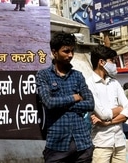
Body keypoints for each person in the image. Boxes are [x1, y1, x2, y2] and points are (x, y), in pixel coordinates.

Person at [36, 32, 95, 163]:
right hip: (57, 145)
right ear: (54, 52)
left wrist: (61, 105)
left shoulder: (78, 76)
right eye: (66, 51)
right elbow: (49, 103)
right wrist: (74, 98)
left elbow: (90, 104)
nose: (70, 55)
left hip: (82, 144)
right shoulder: (43, 75)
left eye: (72, 51)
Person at [86, 45, 128, 163]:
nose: (114, 64)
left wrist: (108, 123)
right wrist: (119, 109)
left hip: (119, 142)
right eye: (112, 61)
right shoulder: (89, 84)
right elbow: (103, 114)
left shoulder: (114, 83)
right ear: (101, 62)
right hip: (101, 143)